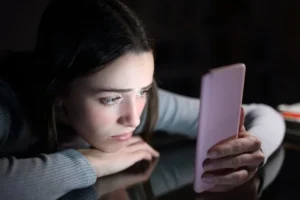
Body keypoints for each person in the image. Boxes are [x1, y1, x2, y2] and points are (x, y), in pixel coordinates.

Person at [0, 0, 285, 199]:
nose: (134, 119)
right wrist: (93, 163)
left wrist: (247, 154)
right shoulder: (8, 107)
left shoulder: (139, 106)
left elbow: (263, 114)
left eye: (143, 91)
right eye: (110, 99)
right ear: (59, 88)